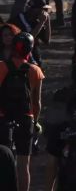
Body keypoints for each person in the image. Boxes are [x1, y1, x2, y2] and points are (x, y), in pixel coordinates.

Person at [0, 32, 43, 191]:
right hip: (25, 119)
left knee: (3, 160)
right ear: (29, 50)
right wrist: (36, 122)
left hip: (3, 118)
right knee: (24, 164)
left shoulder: (1, 66)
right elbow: (36, 102)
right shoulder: (35, 70)